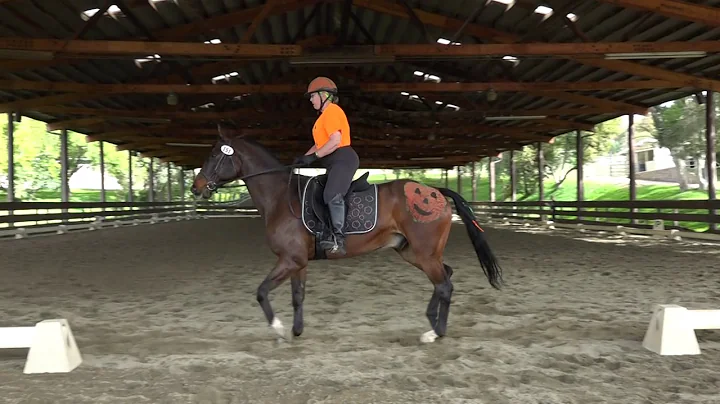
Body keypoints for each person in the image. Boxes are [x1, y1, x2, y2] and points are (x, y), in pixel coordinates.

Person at [293, 76, 359, 255]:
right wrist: (303, 157)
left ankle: (338, 239)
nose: (311, 100)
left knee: (331, 193)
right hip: (333, 161)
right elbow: (320, 144)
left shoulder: (332, 112)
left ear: (324, 95)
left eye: (313, 96)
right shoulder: (322, 118)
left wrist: (313, 157)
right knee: (320, 190)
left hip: (342, 159)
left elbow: (335, 141)